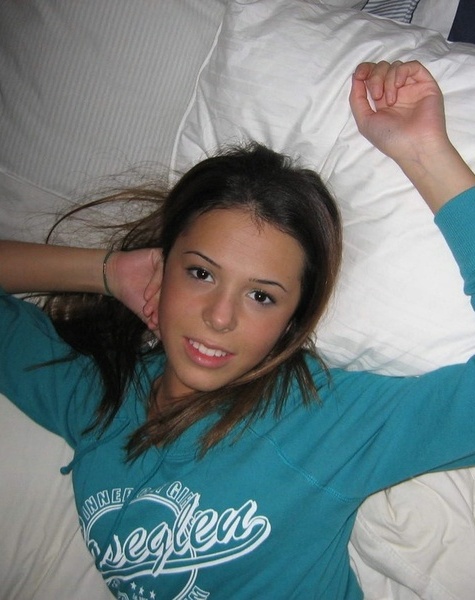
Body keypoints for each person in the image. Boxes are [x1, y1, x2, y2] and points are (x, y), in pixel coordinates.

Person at [1, 60, 475, 599]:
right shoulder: (96, 398)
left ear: (291, 319)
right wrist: (110, 272)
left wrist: (425, 153)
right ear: (164, 265)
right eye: (201, 273)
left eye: (261, 296)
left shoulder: (321, 422)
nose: (220, 317)